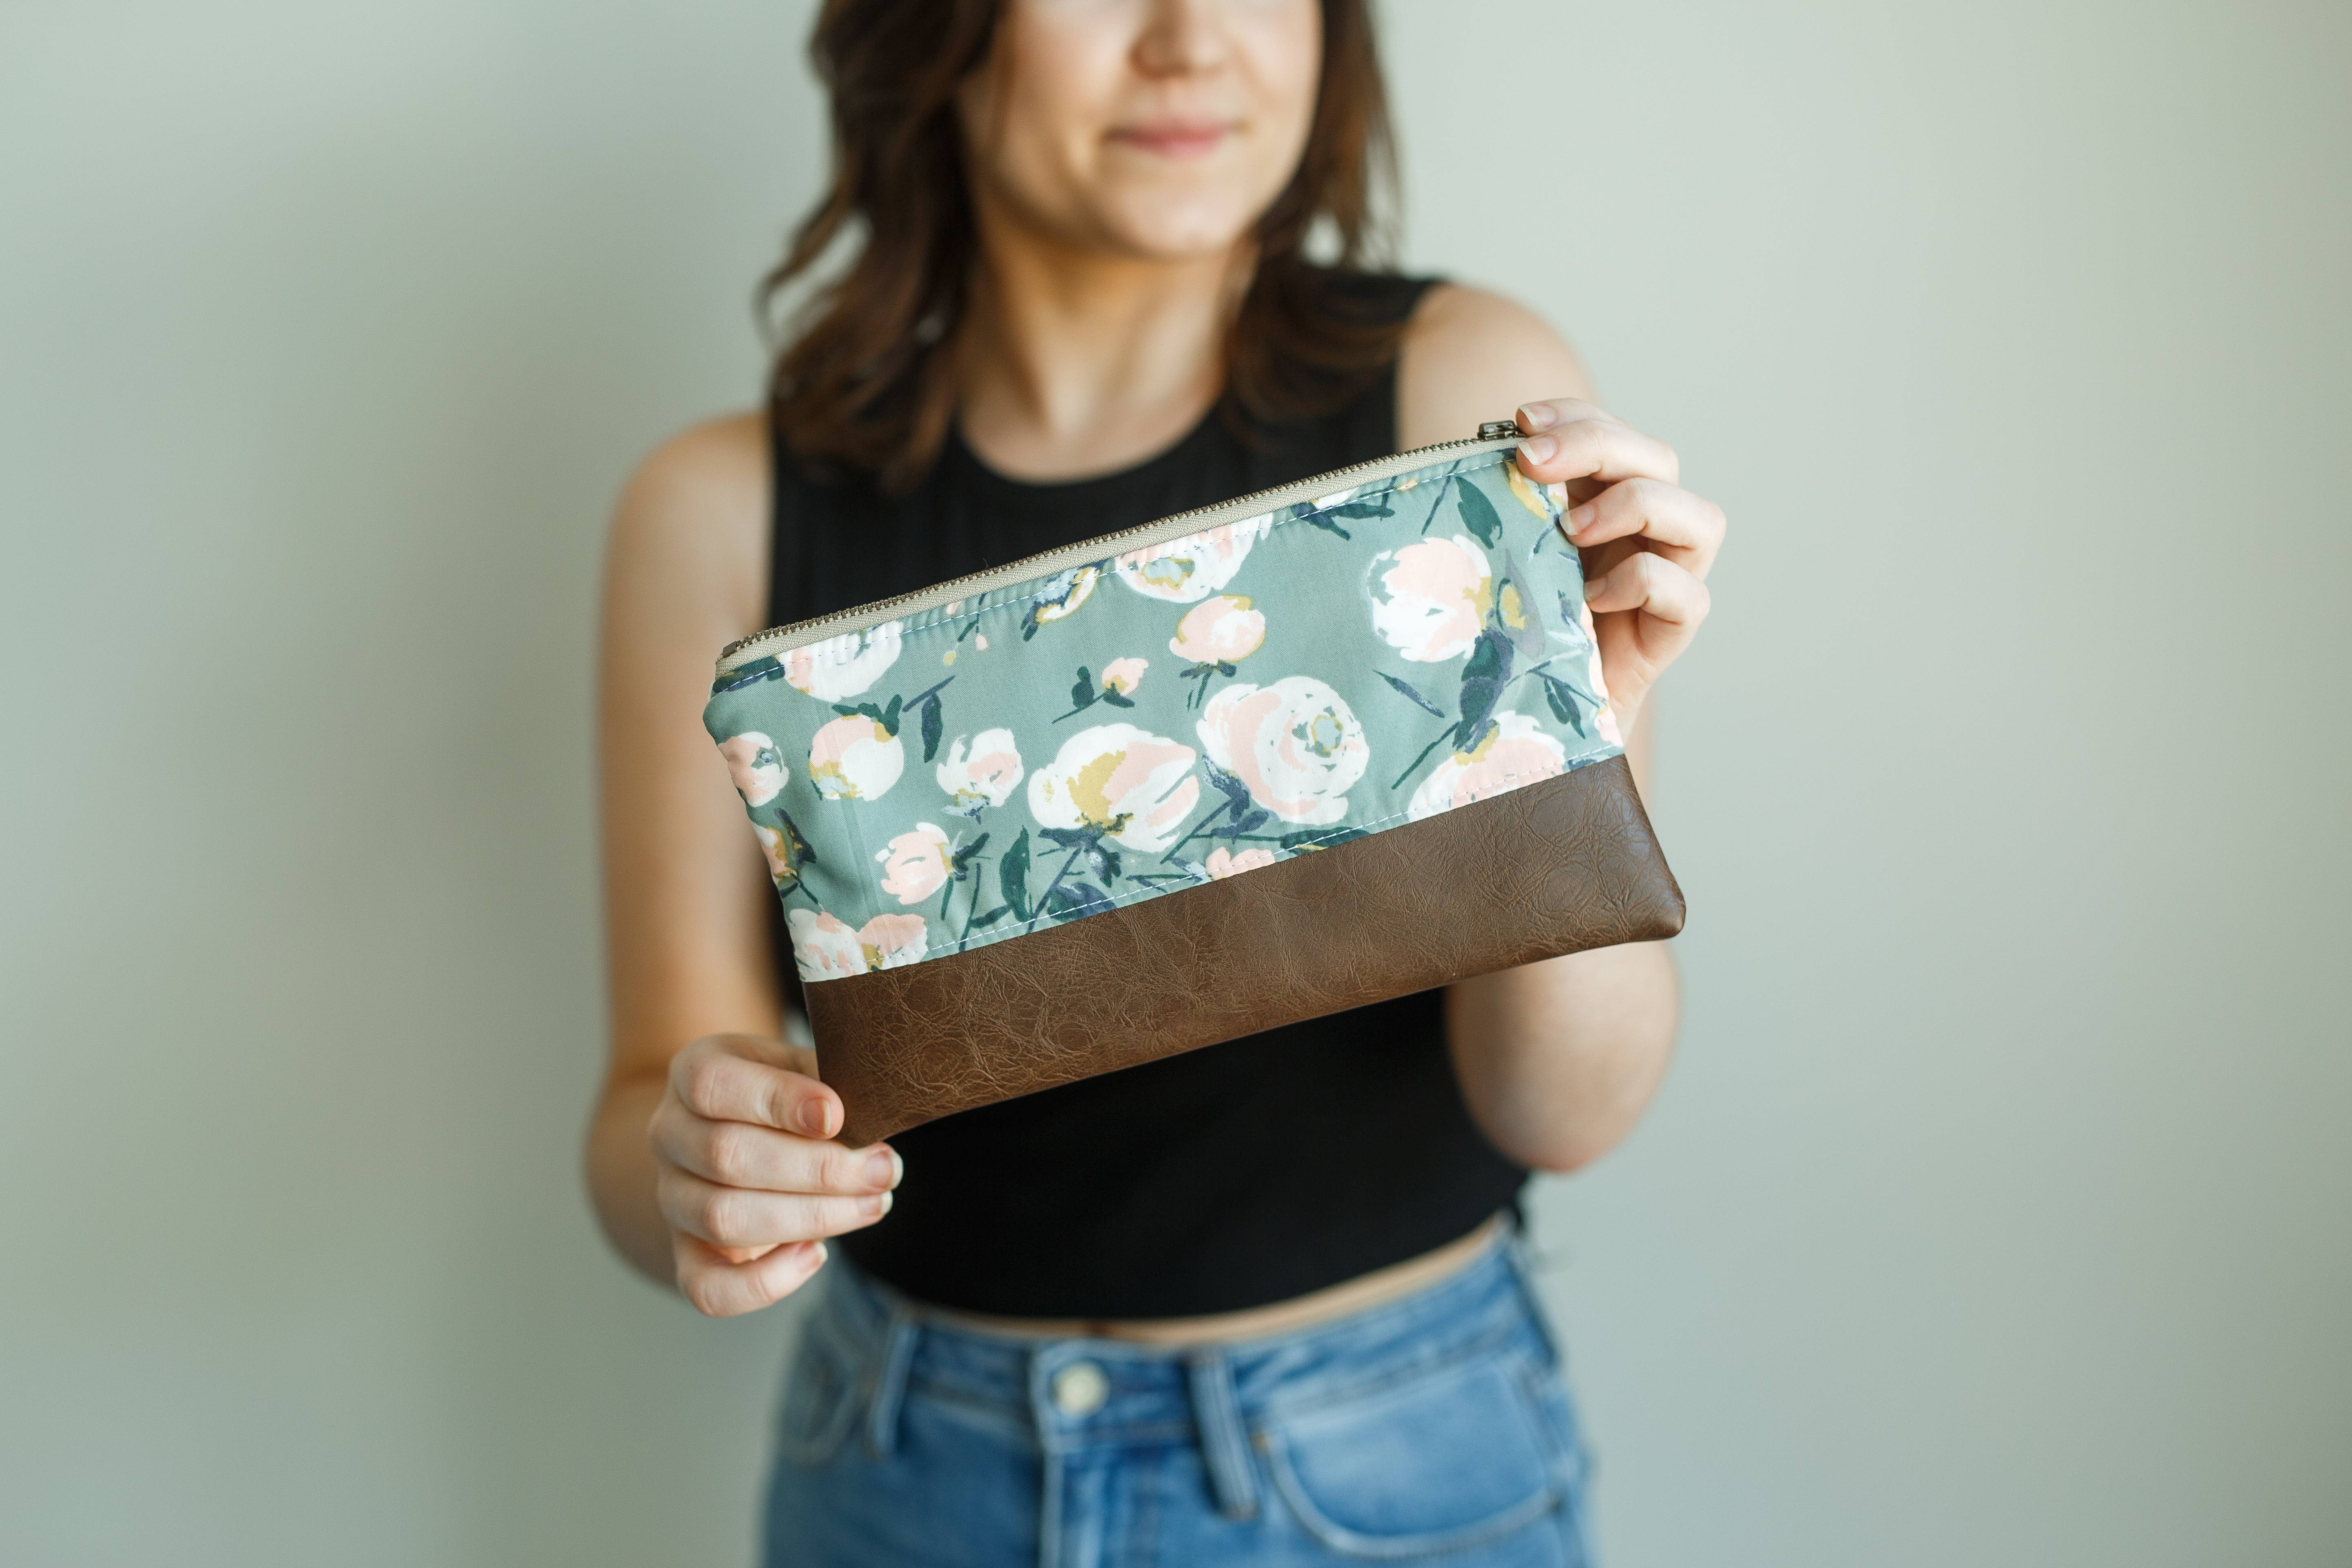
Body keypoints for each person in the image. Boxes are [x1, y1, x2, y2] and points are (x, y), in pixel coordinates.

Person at [584, 2, 1724, 1562]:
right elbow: (643, 1104)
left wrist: (1564, 762)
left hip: (1386, 1464)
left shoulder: (1463, 397)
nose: (1191, 40)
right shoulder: (717, 511)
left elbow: (1566, 1112)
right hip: (904, 1468)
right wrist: (700, 1172)